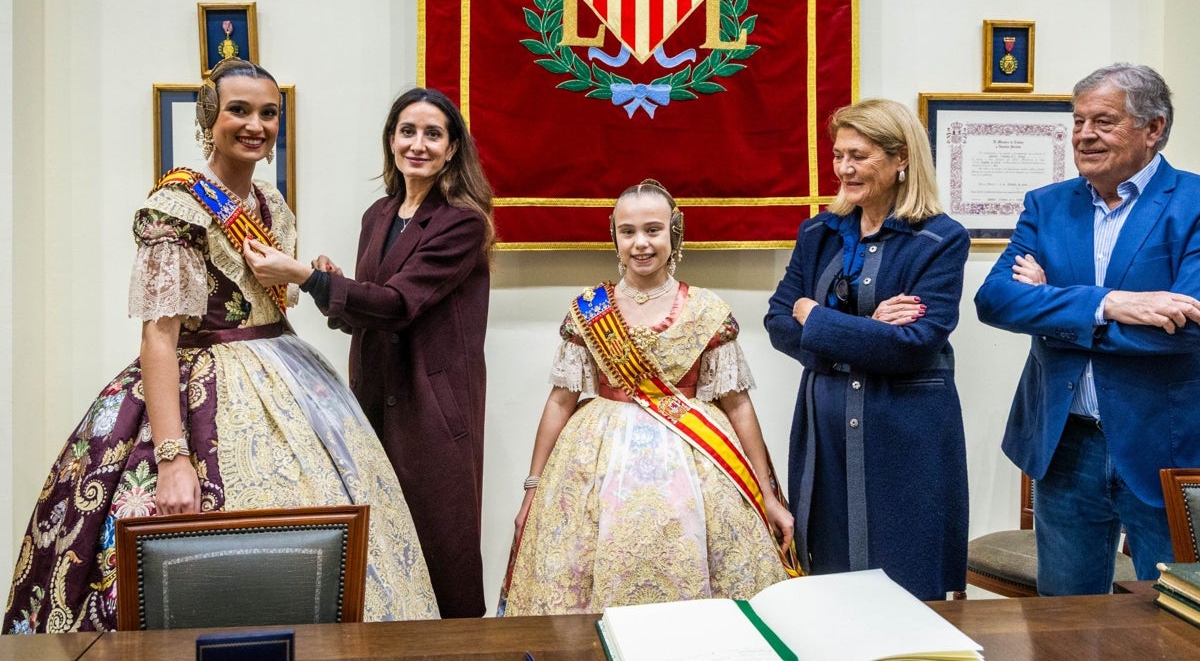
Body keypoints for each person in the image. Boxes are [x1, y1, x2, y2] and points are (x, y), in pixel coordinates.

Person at [3, 58, 438, 633]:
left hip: (289, 377)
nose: (255, 124)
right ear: (211, 117)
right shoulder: (176, 208)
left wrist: (311, 274)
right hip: (200, 385)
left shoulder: (269, 202)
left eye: (268, 113)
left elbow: (265, 298)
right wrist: (172, 458)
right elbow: (159, 336)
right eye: (239, 110)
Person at [245, 87, 493, 618]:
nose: (418, 144)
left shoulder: (462, 222)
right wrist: (331, 286)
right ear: (391, 141)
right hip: (374, 397)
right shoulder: (378, 214)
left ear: (452, 150)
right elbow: (370, 311)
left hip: (431, 406)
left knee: (440, 549)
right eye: (408, 131)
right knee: (381, 546)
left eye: (433, 134)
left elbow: (401, 303)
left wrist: (306, 277)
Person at [500, 180, 796, 617]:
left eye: (653, 230)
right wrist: (533, 488)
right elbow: (561, 401)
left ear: (674, 233)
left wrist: (768, 495)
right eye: (628, 231)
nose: (641, 243)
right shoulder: (589, 308)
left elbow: (737, 405)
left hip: (696, 458)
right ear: (614, 236)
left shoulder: (707, 310)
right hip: (593, 459)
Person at [974, 63, 1200, 595]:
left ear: (1154, 128)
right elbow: (995, 300)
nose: (1084, 135)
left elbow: (1188, 327)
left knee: (1171, 617)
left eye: (1104, 120)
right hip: (1066, 443)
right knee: (1064, 618)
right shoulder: (1047, 205)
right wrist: (1112, 304)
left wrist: (1052, 308)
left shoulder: (1192, 205)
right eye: (1077, 121)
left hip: (1164, 446)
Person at [764, 98, 970, 601]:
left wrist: (818, 318)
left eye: (860, 155)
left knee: (908, 585)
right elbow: (777, 322)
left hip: (906, 438)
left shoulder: (941, 240)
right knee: (831, 584)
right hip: (825, 435)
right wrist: (863, 330)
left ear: (901, 159)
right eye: (839, 155)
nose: (844, 168)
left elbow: (914, 346)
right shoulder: (818, 232)